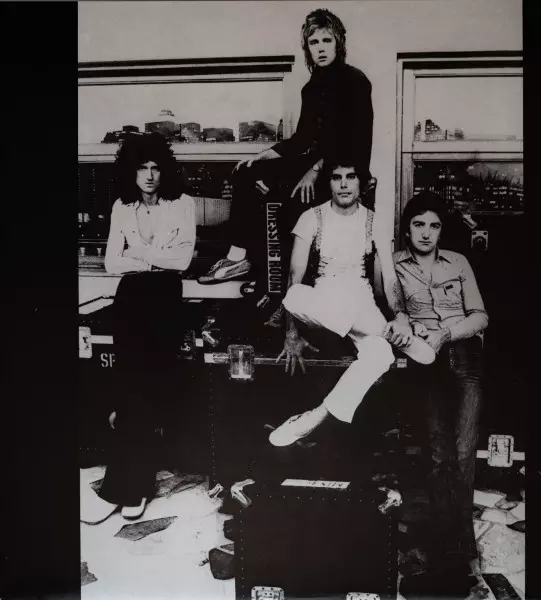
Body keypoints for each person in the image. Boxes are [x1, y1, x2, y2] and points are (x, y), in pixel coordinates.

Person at [198, 8, 374, 289]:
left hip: (345, 168)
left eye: (326, 40)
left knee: (291, 202)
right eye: (313, 42)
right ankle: (238, 258)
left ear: (338, 43)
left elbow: (353, 139)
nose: (320, 48)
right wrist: (261, 156)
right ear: (307, 47)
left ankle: (277, 283)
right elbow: (302, 139)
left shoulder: (355, 80)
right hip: (314, 164)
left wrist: (314, 171)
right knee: (246, 173)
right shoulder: (311, 87)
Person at [267, 163, 435, 447]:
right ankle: (385, 332)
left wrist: (401, 316)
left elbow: (390, 278)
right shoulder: (311, 217)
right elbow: (294, 277)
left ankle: (312, 418)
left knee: (381, 355)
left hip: (361, 299)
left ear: (361, 183)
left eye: (351, 177)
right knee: (294, 295)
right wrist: (291, 333)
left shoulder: (374, 221)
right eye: (337, 178)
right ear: (329, 183)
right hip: (324, 299)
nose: (344, 184)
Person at [80, 133, 196, 525]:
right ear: (130, 172)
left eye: (155, 167)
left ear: (165, 171)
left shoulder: (183, 204)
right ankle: (134, 487)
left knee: (146, 391)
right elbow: (112, 263)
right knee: (130, 391)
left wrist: (139, 254)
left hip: (163, 300)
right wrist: (153, 259)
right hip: (129, 300)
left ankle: (122, 490)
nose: (149, 175)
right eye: (141, 168)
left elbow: (182, 262)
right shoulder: (121, 206)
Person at [391, 191, 489, 586]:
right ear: (407, 229)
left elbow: (480, 316)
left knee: (464, 452)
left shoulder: (459, 262)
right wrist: (408, 326)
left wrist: (446, 332)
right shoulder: (394, 264)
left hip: (464, 358)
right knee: (436, 453)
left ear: (441, 230)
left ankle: (461, 549)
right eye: (418, 224)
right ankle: (443, 547)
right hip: (424, 362)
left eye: (434, 225)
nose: (426, 233)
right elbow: (391, 309)